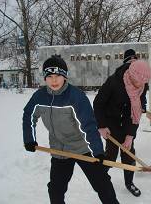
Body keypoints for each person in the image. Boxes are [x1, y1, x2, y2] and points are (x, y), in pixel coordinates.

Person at [22, 55, 119, 204]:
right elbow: (29, 115)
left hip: (83, 147)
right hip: (59, 149)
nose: (54, 80)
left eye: (58, 76)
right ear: (45, 78)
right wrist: (29, 139)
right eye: (50, 76)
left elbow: (89, 126)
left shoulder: (76, 97)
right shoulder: (39, 97)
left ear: (65, 77)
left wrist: (98, 152)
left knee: (102, 183)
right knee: (55, 189)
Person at [93, 58, 151, 197]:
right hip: (111, 123)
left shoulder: (142, 87)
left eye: (143, 83)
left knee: (129, 155)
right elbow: (98, 104)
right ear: (131, 75)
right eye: (137, 81)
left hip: (127, 123)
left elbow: (137, 112)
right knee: (111, 156)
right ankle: (98, 177)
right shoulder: (114, 82)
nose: (139, 85)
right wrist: (101, 125)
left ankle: (129, 183)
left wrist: (130, 135)